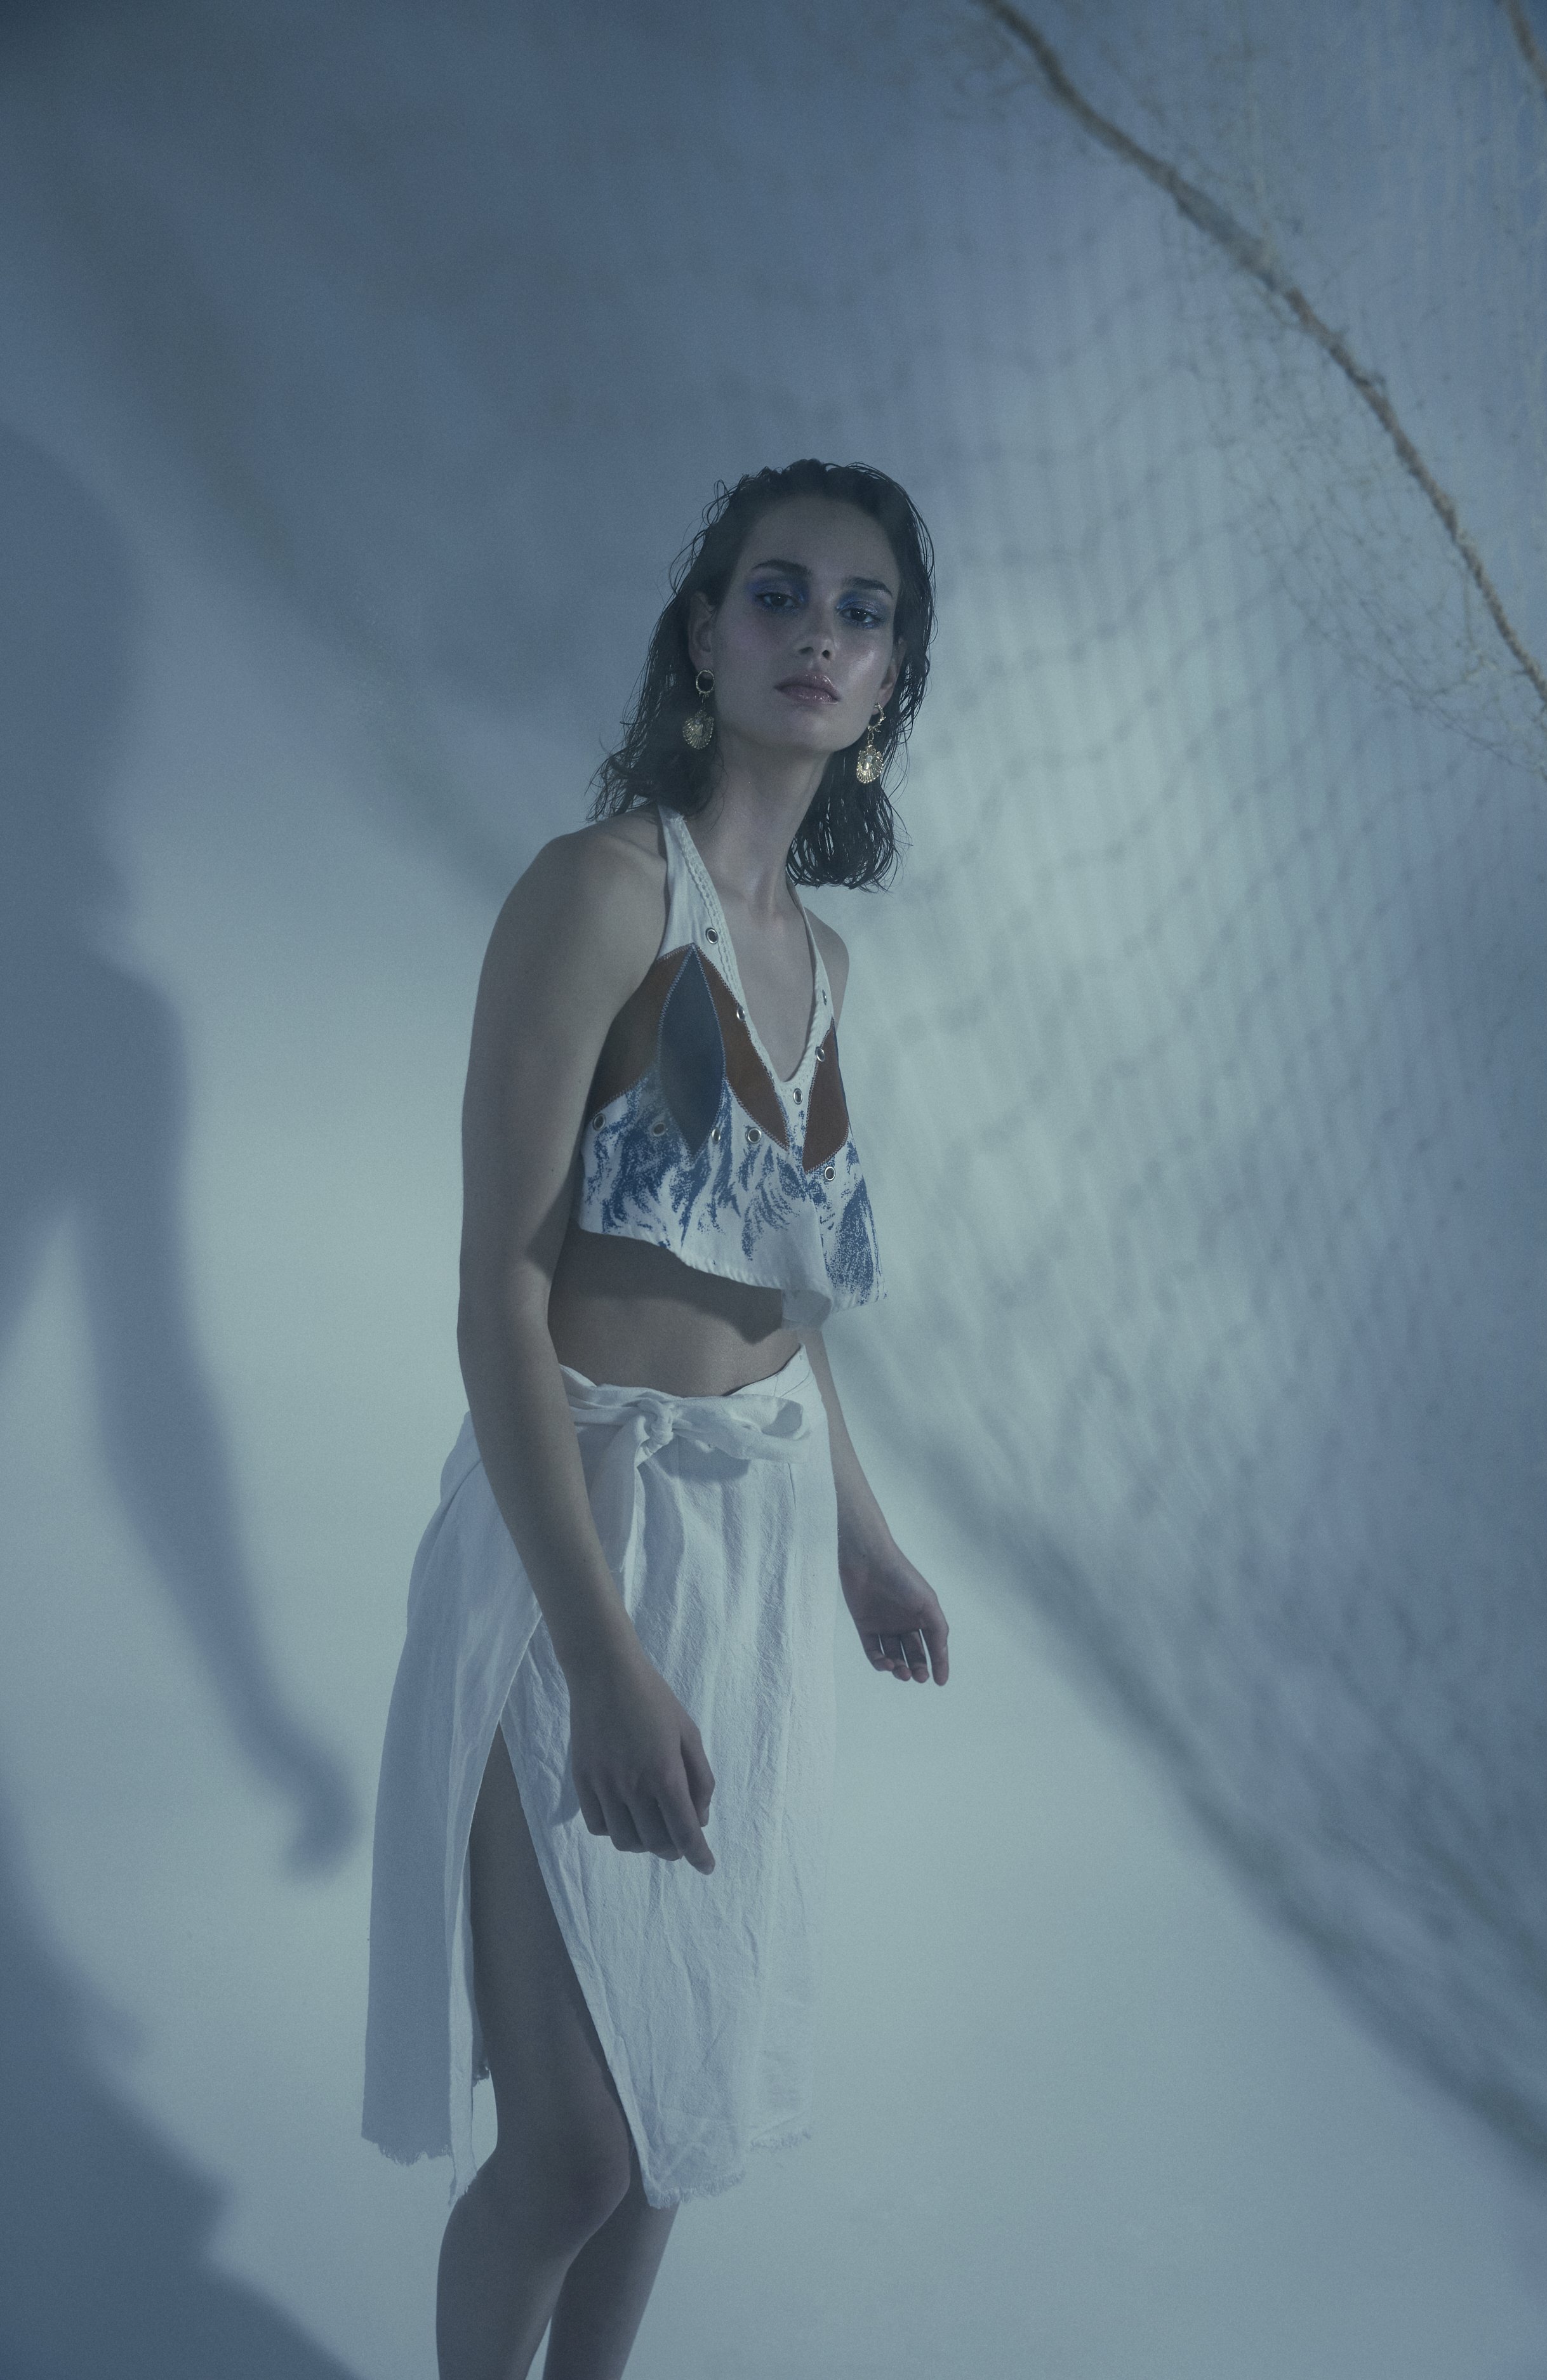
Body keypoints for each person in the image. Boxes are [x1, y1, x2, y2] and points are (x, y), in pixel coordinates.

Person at [363, 459, 951, 2380]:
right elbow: (498, 1299)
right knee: (568, 2149)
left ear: (890, 682)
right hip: (582, 1541)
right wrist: (602, 1667)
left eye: (861, 614)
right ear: (705, 634)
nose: (818, 636)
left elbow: (785, 1292)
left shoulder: (820, 956)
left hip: (763, 1553)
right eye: (777, 594)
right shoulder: (600, 891)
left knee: (673, 2111)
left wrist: (859, 1532)